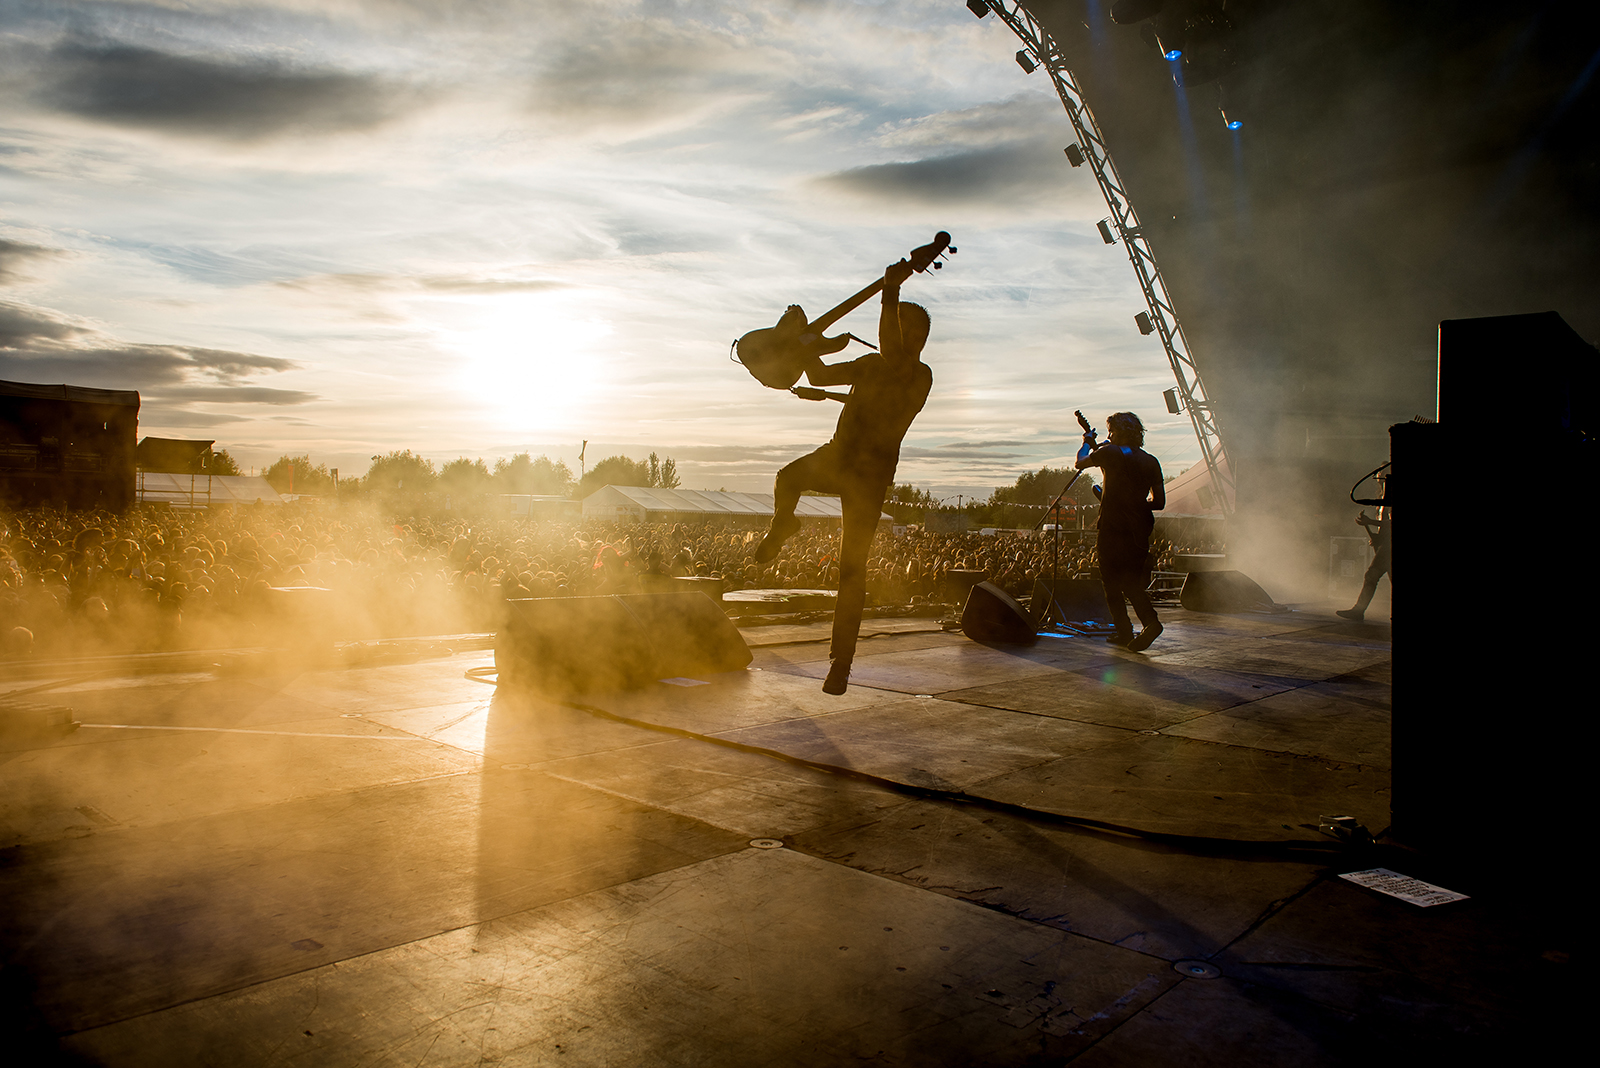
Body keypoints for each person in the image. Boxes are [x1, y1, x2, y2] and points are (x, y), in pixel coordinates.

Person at [754, 258, 933, 694]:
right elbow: (819, 373)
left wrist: (889, 291)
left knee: (850, 572)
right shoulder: (872, 364)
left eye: (899, 325)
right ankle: (784, 523)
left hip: (868, 476)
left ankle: (841, 662)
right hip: (842, 459)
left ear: (918, 337)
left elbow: (890, 349)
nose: (892, 330)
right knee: (788, 478)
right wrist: (808, 345)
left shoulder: (918, 375)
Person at [1076, 412, 1165, 650]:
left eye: (1112, 431)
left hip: (1113, 528)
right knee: (1131, 582)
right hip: (1139, 530)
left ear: (1120, 432)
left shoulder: (1111, 452)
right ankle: (1149, 622)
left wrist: (1086, 442)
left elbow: (1081, 462)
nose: (1108, 435)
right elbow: (1159, 502)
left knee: (1111, 584)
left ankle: (1125, 631)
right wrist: (1135, 504)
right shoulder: (1151, 461)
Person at [1337, 509, 1389, 621]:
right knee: (1371, 576)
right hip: (1386, 545)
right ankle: (1358, 610)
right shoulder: (1382, 503)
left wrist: (1371, 522)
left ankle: (1358, 610)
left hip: (1389, 547)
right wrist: (1379, 538)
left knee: (1372, 575)